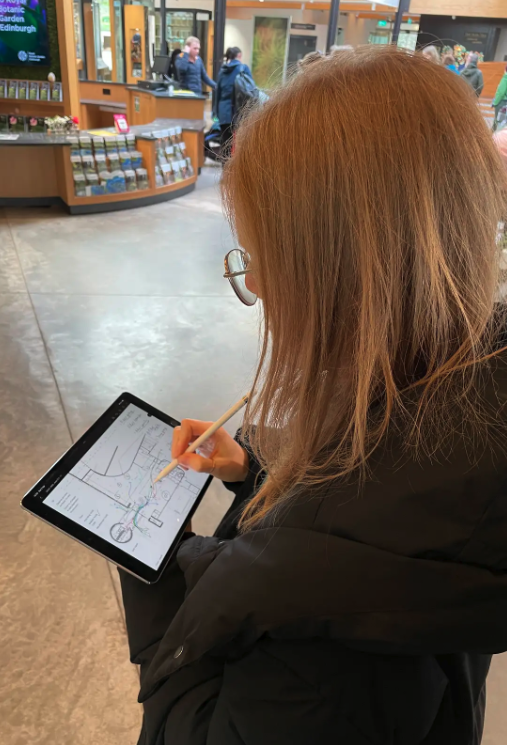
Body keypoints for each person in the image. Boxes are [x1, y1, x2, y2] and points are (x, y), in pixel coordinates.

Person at [120, 47, 507, 745]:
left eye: (266, 257)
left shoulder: (331, 632)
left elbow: (202, 732)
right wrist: (257, 470)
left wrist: (149, 572)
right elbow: (387, 488)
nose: (259, 286)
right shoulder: (463, 383)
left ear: (345, 276)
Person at [213, 47, 253, 153]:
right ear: (239, 55)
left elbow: (217, 93)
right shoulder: (243, 68)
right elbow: (251, 91)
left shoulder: (222, 71)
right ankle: (235, 168)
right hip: (238, 112)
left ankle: (225, 167)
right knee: (238, 144)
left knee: (225, 143)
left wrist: (216, 112)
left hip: (223, 112)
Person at [493, 65, 507, 131]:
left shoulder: (505, 78)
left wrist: (495, 103)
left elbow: (501, 92)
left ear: (505, 69)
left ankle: (494, 136)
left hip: (502, 102)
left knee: (497, 121)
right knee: (503, 121)